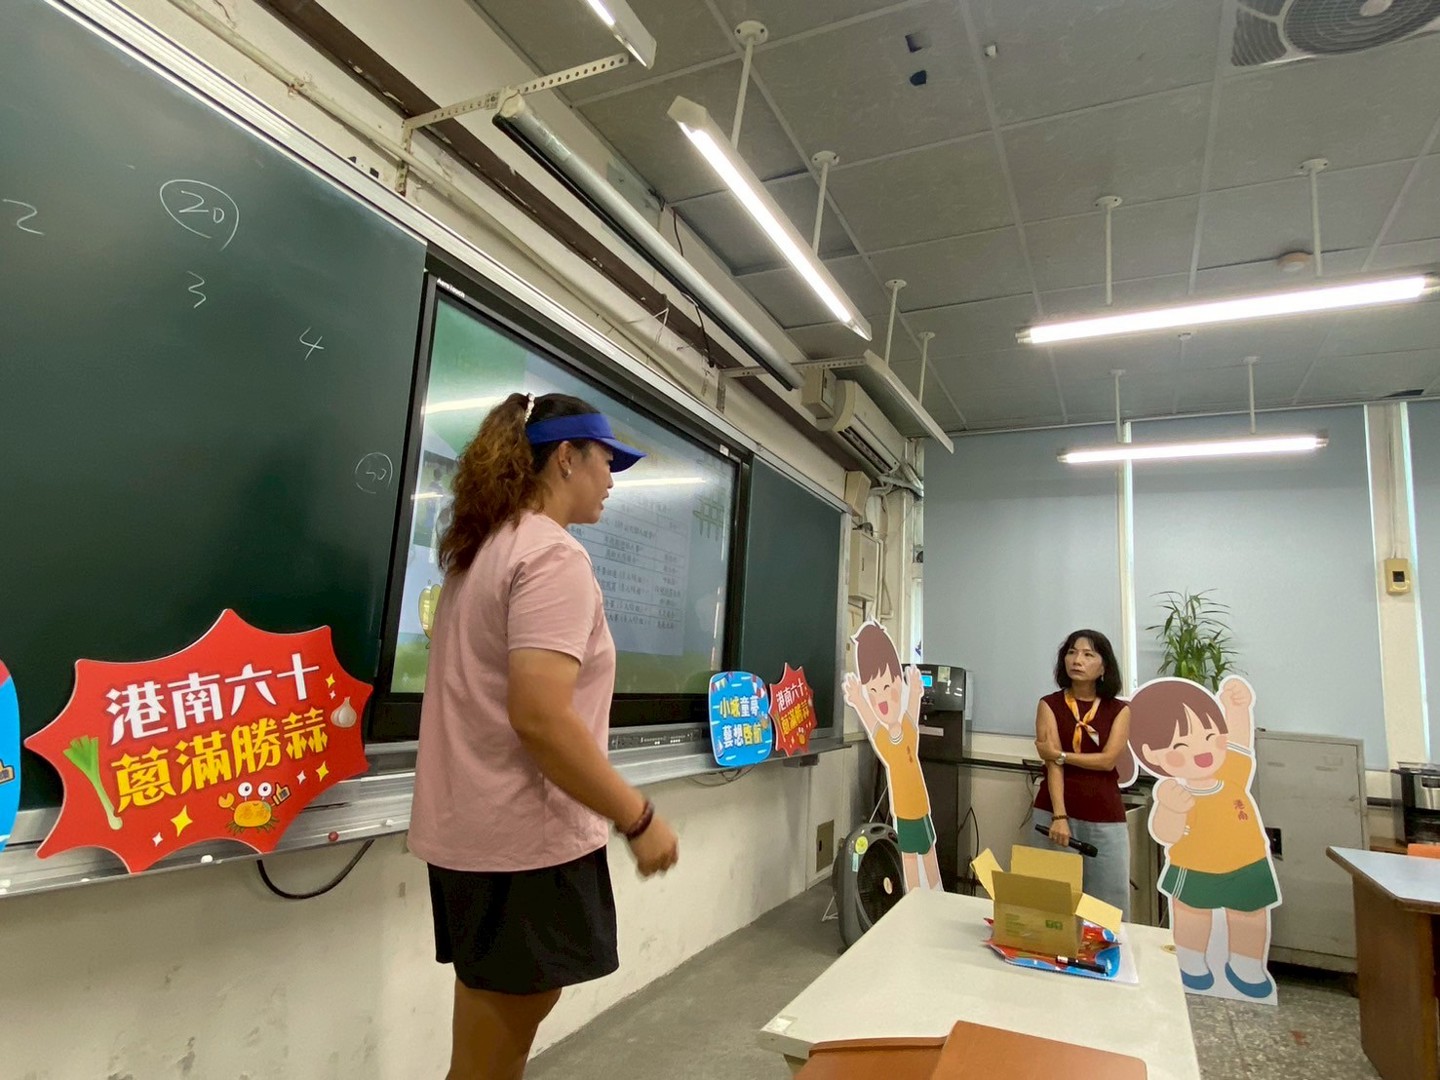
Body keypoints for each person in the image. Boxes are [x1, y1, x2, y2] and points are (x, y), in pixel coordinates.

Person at [409, 391, 680, 1080]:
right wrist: (637, 816)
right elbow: (541, 717)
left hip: (476, 837)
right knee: (487, 1060)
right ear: (566, 458)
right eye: (606, 462)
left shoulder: (481, 552)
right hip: (522, 844)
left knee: (490, 1048)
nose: (611, 479)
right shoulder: (551, 557)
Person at [1128, 677, 1279, 998]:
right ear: (1152, 754)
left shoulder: (1231, 774)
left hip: (1248, 864)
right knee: (1191, 912)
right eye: (1181, 746)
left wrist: (1237, 709)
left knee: (1251, 914)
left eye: (1211, 737)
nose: (1202, 751)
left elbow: (1240, 742)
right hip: (1194, 867)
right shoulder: (1173, 791)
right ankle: (1191, 961)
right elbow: (1165, 834)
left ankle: (1247, 964)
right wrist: (1172, 808)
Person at [1029, 629, 1134, 919]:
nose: (1077, 660)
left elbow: (1107, 761)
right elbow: (1053, 766)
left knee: (1108, 906)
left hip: (1105, 814)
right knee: (1051, 904)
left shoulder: (1119, 710)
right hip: (1054, 812)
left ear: (1104, 667)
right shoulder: (1049, 704)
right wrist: (1059, 816)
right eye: (1072, 652)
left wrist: (1062, 755)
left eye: (1088, 655)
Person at [843, 621, 941, 892]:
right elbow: (872, 722)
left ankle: (936, 895)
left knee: (929, 856)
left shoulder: (908, 730)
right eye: (873, 692)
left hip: (920, 810)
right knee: (909, 860)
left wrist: (916, 691)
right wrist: (858, 700)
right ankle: (915, 899)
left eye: (887, 686)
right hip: (903, 814)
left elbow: (911, 708)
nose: (882, 699)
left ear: (898, 681)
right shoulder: (884, 740)